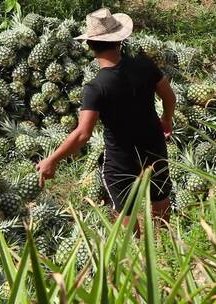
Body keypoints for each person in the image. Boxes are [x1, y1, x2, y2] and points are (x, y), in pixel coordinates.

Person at [37, 8, 176, 229]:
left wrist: (51, 160)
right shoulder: (145, 65)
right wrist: (166, 119)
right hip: (154, 142)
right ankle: (162, 243)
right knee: (159, 192)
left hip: (121, 157)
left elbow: (83, 134)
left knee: (125, 206)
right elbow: (169, 96)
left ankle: (138, 252)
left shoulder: (96, 87)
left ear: (90, 45)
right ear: (120, 41)